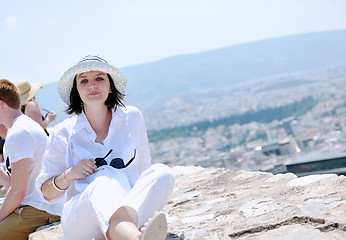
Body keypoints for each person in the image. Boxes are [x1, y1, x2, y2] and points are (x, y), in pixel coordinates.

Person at [36, 55, 174, 240]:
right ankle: (134, 237)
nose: (92, 85)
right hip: (82, 217)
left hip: (128, 201)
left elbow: (143, 171)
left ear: (110, 87)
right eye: (83, 81)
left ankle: (120, 232)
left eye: (99, 78)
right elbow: (46, 193)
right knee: (103, 179)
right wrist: (69, 174)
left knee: (162, 173)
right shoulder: (63, 132)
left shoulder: (131, 117)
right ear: (76, 90)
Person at [0, 79, 61, 240]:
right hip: (35, 204)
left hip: (39, 208)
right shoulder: (21, 127)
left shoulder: (19, 133)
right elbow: (14, 186)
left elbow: (18, 192)